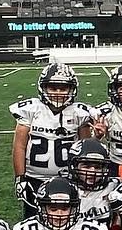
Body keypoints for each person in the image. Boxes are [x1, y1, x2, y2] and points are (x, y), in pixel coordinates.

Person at [10, 62, 94, 217]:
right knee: (35, 219)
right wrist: (20, 177)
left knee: (67, 217)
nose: (58, 93)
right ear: (43, 88)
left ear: (71, 89)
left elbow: (85, 148)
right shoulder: (31, 110)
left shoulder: (79, 113)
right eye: (53, 88)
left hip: (69, 177)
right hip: (34, 178)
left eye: (63, 88)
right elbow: (19, 147)